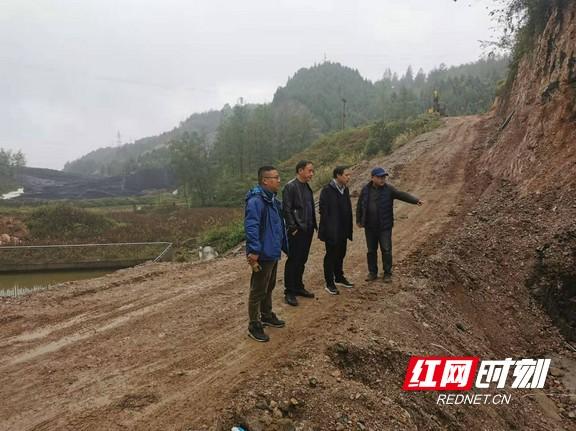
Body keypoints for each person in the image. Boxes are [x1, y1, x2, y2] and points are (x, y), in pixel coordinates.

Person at [356, 167, 423, 283]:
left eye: (384, 177)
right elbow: (359, 205)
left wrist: (415, 200)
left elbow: (401, 195)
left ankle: (387, 273)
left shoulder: (389, 189)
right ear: (372, 178)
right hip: (370, 227)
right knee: (371, 250)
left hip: (384, 226)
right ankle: (372, 273)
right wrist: (359, 220)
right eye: (379, 177)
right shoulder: (365, 190)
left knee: (386, 250)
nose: (382, 179)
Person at [244, 166, 288, 342]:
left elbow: (278, 226)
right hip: (262, 253)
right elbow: (251, 227)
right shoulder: (256, 201)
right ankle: (254, 324)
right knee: (257, 290)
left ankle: (266, 315)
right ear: (265, 180)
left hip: (272, 251)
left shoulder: (271, 200)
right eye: (275, 177)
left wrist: (284, 246)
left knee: (269, 286)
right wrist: (254, 251)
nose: (279, 180)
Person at [282, 160, 317, 306]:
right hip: (297, 230)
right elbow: (287, 208)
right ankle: (289, 291)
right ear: (300, 170)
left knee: (302, 259)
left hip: (308, 228)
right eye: (309, 171)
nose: (311, 174)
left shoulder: (306, 186)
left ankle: (298, 287)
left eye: (312, 171)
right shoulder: (290, 186)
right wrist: (292, 227)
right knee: (293, 260)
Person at [318, 166, 354, 295]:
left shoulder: (345, 189)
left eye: (349, 175)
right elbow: (323, 211)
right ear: (338, 175)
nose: (348, 177)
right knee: (331, 256)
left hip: (343, 229)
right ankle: (329, 282)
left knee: (341, 254)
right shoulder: (327, 190)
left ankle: (339, 277)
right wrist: (329, 229)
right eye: (346, 175)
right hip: (332, 230)